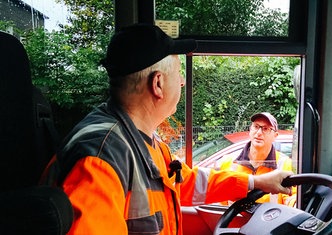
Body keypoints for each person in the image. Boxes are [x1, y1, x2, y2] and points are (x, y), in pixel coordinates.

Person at [42, 23, 293, 235]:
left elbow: (185, 183)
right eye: (179, 74)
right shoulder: (100, 160)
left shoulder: (144, 140)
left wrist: (256, 181)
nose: (182, 82)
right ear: (158, 84)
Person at [219, 112, 296, 206]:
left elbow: (292, 198)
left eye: (265, 129)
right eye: (256, 127)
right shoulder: (228, 162)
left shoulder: (285, 164)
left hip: (271, 220)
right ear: (250, 130)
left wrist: (293, 202)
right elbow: (220, 204)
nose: (259, 133)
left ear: (275, 136)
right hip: (236, 220)